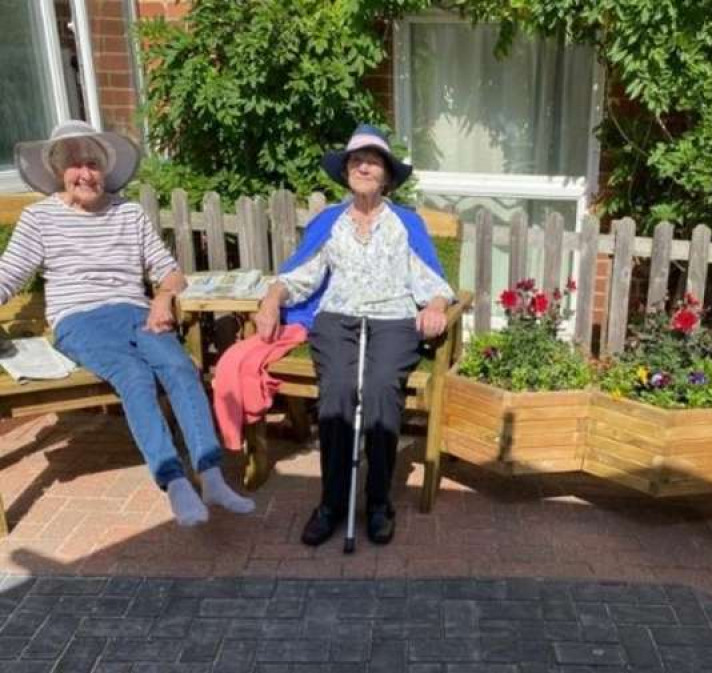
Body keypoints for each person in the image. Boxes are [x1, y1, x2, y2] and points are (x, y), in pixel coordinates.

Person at [2, 120, 254, 526]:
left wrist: (163, 298)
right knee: (133, 376)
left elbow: (170, 272)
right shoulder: (39, 219)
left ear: (106, 169)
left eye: (93, 164)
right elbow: (8, 275)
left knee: (178, 367)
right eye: (74, 164)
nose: (85, 173)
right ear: (57, 170)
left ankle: (211, 476)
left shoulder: (129, 212)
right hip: (78, 319)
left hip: (136, 313)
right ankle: (174, 482)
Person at [254, 124, 455, 547]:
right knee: (338, 394)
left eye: (373, 161)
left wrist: (436, 307)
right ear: (346, 171)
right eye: (356, 161)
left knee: (381, 390)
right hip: (339, 319)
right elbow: (300, 276)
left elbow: (432, 281)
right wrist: (272, 299)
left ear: (386, 175)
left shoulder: (405, 223)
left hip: (393, 320)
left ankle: (379, 501)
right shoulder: (330, 222)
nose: (363, 167)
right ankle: (331, 503)